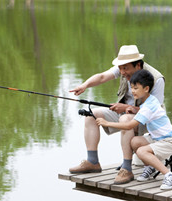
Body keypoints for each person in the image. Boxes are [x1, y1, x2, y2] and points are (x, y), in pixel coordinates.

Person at [68, 45, 165, 182]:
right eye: (120, 68)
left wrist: (126, 108)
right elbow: (102, 77)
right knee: (91, 115)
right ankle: (92, 162)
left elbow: (156, 112)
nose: (122, 72)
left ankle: (126, 169)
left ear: (138, 65)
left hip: (147, 120)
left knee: (125, 119)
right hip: (124, 113)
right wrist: (84, 85)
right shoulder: (123, 69)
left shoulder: (157, 79)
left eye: (125, 68)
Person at [96, 69, 172, 190]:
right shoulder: (149, 100)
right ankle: (150, 167)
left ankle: (169, 176)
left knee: (141, 151)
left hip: (169, 142)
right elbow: (144, 111)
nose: (132, 91)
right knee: (135, 141)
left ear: (146, 89)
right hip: (158, 139)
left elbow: (129, 126)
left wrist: (107, 123)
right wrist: (135, 110)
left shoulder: (148, 105)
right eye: (131, 87)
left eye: (136, 88)